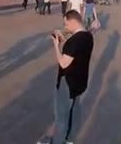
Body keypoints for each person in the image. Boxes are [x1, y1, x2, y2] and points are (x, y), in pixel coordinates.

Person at [40, 10, 94, 144]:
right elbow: (76, 41)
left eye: (66, 24)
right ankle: (68, 139)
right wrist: (66, 37)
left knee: (60, 119)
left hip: (67, 83)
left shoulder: (74, 42)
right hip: (80, 82)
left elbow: (63, 63)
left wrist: (56, 46)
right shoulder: (88, 36)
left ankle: (58, 141)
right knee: (72, 113)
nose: (65, 27)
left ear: (72, 21)